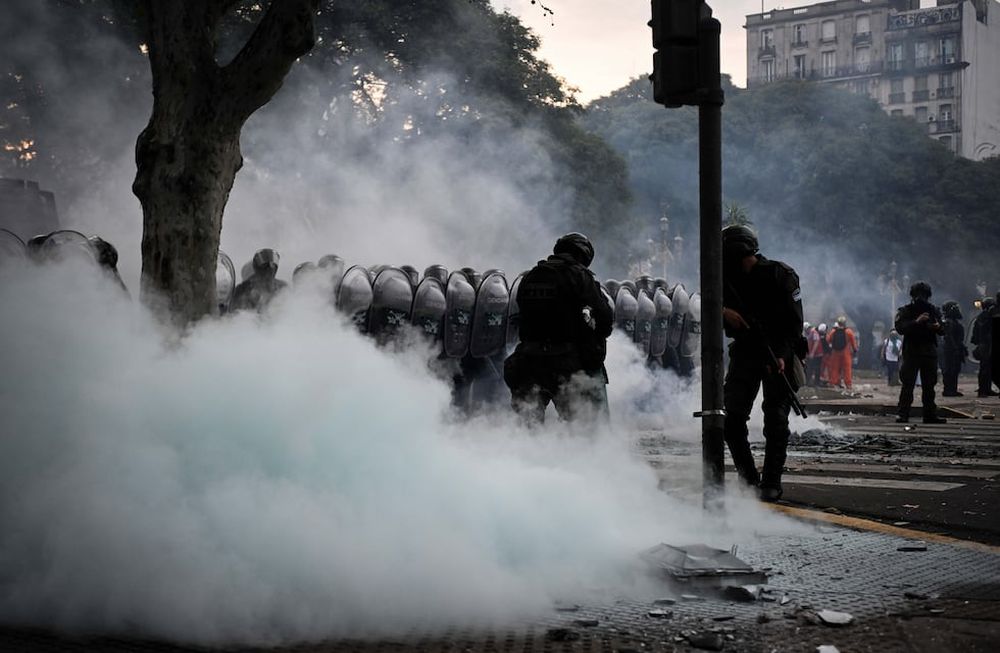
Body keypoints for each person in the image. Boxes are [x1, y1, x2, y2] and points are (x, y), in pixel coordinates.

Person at [720, 225, 804, 502]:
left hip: (777, 354)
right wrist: (723, 312)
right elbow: (705, 305)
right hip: (745, 351)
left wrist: (780, 354)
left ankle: (770, 482)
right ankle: (748, 479)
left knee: (776, 420)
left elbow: (793, 324)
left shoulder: (781, 275)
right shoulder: (724, 279)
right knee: (731, 420)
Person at [503, 233, 613, 425]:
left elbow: (517, 315)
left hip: (529, 361)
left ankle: (520, 455)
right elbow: (604, 317)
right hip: (567, 363)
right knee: (582, 428)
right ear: (583, 254)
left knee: (527, 428)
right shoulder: (580, 276)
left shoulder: (530, 277)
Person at [895, 281, 946, 424]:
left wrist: (937, 326)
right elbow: (900, 328)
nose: (921, 298)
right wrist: (916, 321)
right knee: (908, 385)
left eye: (923, 295)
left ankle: (929, 415)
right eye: (918, 294)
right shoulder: (906, 310)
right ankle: (903, 414)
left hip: (928, 351)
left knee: (929, 386)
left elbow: (943, 329)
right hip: (912, 351)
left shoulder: (933, 310)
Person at [232, 248, 287, 313]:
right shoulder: (243, 289)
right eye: (265, 266)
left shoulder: (283, 287)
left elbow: (291, 308)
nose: (269, 269)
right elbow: (235, 312)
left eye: (272, 266)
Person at [940, 300, 967, 397]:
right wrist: (955, 348)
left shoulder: (953, 322)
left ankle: (952, 389)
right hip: (950, 350)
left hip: (954, 348)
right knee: (950, 369)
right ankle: (948, 390)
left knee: (955, 369)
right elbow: (949, 336)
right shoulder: (949, 322)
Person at [971, 296, 997, 397]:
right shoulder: (985, 317)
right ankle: (983, 390)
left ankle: (987, 389)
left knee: (987, 368)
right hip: (985, 345)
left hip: (984, 344)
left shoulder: (982, 316)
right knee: (985, 368)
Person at [825, 316, 857, 390]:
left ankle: (833, 383)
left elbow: (828, 340)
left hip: (835, 353)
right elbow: (853, 342)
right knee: (847, 369)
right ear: (845, 323)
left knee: (835, 368)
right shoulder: (849, 332)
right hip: (846, 353)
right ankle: (848, 384)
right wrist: (855, 350)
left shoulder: (833, 331)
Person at [805, 322, 824, 386]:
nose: (805, 331)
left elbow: (816, 342)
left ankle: (816, 383)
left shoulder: (814, 332)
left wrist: (812, 353)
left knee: (816, 368)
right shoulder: (808, 333)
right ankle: (808, 382)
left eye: (806, 329)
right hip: (812, 354)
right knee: (810, 368)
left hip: (817, 354)